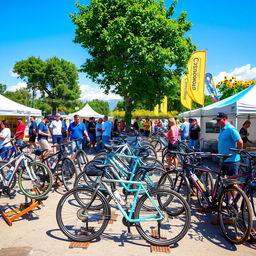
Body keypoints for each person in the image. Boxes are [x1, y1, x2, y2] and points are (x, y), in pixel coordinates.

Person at [214, 112, 243, 176]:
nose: (217, 122)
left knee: (231, 183)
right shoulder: (222, 128)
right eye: (216, 120)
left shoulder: (231, 128)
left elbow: (240, 142)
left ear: (224, 119)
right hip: (223, 160)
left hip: (231, 161)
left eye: (218, 120)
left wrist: (238, 152)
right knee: (224, 181)